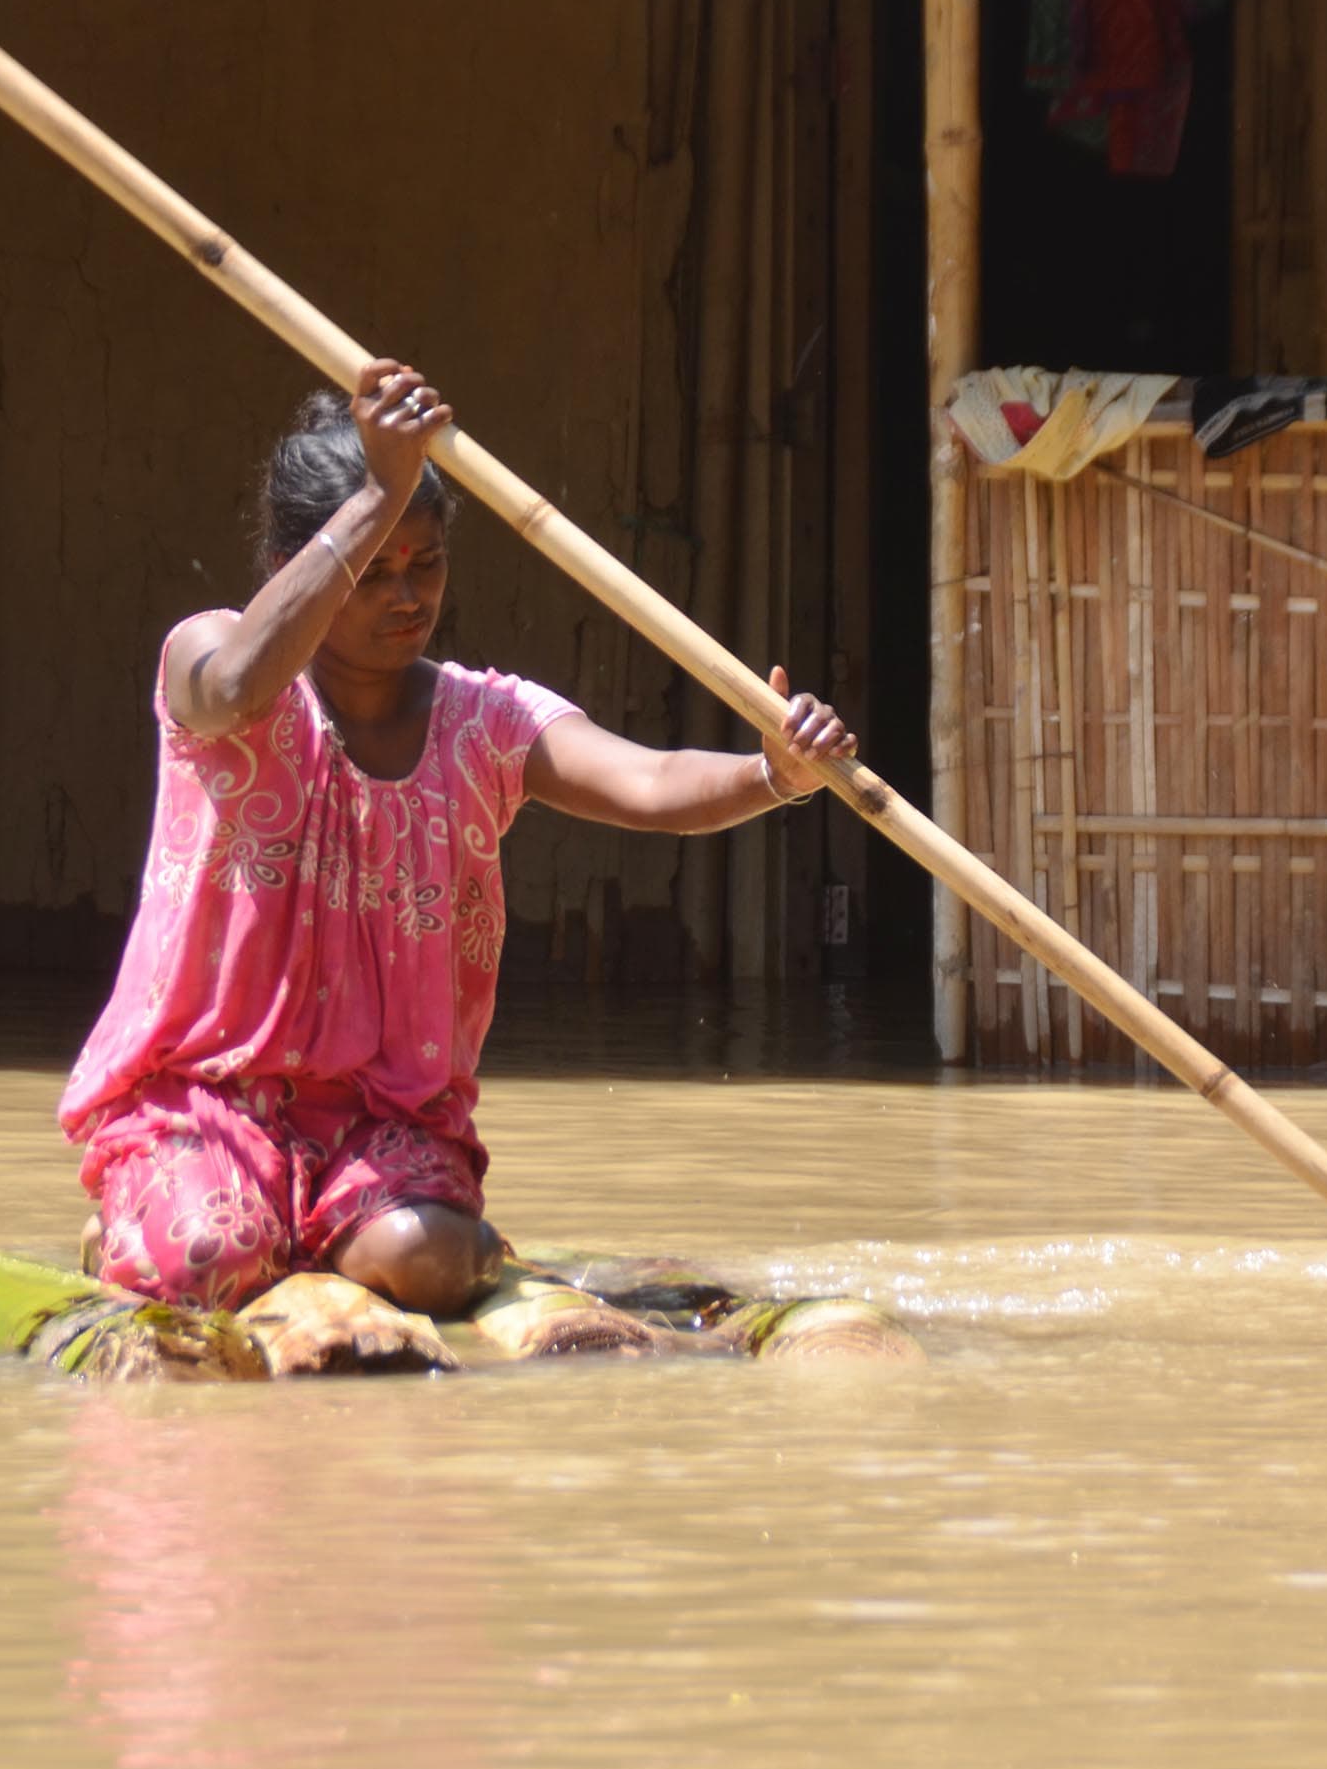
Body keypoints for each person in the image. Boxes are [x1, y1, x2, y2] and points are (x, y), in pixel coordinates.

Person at [60, 359, 856, 1321]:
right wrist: (383, 492)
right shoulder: (212, 655)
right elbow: (231, 691)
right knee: (209, 1261)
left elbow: (646, 782)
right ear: (289, 570)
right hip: (207, 1099)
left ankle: (348, 1227)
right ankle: (179, 1217)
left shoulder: (484, 720)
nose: (406, 596)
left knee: (428, 1262)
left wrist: (776, 774)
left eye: (424, 563)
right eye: (373, 569)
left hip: (383, 1121)